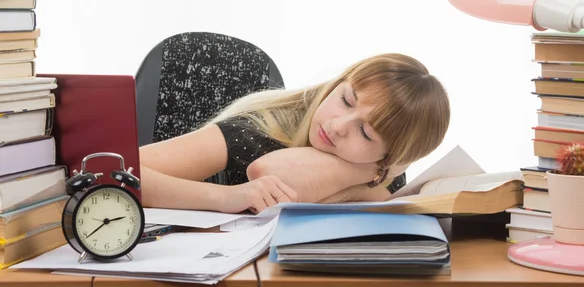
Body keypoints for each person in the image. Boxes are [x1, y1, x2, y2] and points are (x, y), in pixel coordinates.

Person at [139, 53, 451, 214]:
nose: (336, 126)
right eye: (345, 100)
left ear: (391, 157)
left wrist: (370, 178)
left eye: (366, 133)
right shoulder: (255, 129)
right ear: (336, 83)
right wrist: (226, 197)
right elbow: (113, 170)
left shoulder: (379, 170)